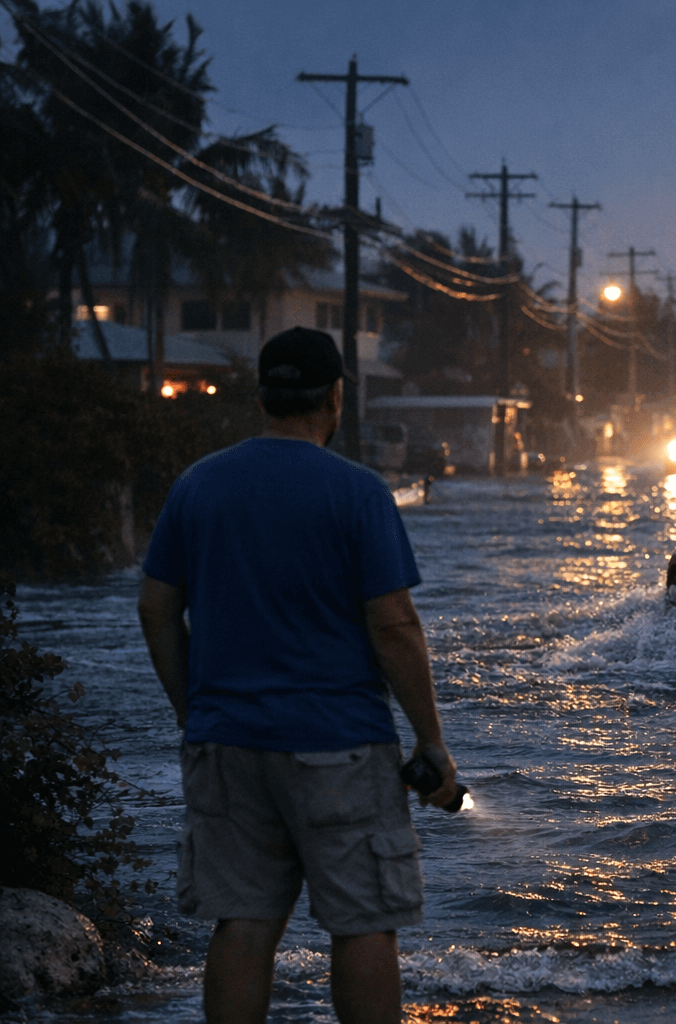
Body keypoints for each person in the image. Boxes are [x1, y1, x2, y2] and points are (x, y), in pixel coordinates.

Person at [137, 327, 457, 1024]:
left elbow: (157, 608)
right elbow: (394, 626)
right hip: (339, 744)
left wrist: (193, 710)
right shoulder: (358, 492)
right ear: (336, 397)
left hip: (226, 743)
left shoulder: (199, 484)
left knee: (244, 923)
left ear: (262, 395)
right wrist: (432, 741)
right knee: (364, 921)